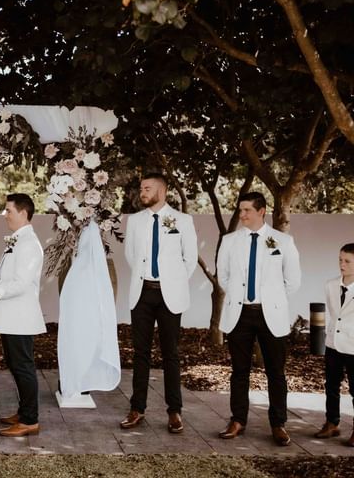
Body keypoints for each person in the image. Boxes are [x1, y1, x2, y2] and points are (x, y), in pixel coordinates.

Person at [217, 191, 301, 446]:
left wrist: (271, 299)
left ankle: (278, 424)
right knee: (239, 371)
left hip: (270, 314)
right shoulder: (229, 241)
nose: (241, 215)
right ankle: (237, 420)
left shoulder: (283, 241)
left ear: (261, 211)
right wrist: (240, 297)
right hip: (239, 314)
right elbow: (224, 277)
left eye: (247, 211)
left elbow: (293, 281)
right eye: (240, 210)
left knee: (276, 372)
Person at [120, 172, 197, 434]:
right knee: (140, 353)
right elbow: (131, 255)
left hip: (169, 295)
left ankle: (174, 411)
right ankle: (137, 408)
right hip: (141, 293)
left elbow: (190, 258)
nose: (142, 192)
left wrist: (172, 282)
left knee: (170, 354)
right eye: (141, 188)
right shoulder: (135, 221)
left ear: (161, 191)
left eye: (147, 188)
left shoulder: (183, 221)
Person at [0, 192, 46, 437]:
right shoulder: (17, 240)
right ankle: (24, 412)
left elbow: (22, 283)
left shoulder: (29, 244)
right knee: (16, 366)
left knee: (23, 367)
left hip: (20, 317)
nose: (5, 215)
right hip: (11, 317)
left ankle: (30, 420)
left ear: (23, 213)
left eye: (9, 211)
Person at [313, 243, 354, 446]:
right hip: (333, 344)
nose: (342, 264)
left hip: (353, 345)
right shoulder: (330, 285)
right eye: (340, 260)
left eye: (347, 261)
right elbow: (332, 312)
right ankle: (332, 423)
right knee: (331, 385)